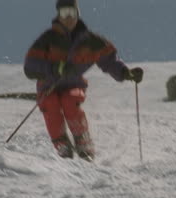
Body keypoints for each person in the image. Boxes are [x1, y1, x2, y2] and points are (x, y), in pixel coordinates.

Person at [23, 0, 143, 161]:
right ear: (58, 15)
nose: (68, 18)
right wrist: (55, 68)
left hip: (73, 84)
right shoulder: (48, 39)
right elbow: (31, 65)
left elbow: (110, 60)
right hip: (49, 86)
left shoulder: (90, 41)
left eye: (72, 13)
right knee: (50, 104)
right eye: (64, 13)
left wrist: (125, 72)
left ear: (78, 14)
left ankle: (83, 141)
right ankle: (62, 145)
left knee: (70, 100)